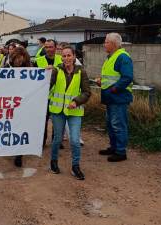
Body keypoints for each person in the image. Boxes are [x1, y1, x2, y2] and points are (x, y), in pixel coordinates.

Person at [49, 46, 91, 180]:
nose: (66, 58)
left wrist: (76, 101)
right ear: (61, 58)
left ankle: (75, 166)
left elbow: (86, 92)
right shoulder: (56, 70)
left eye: (69, 55)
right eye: (64, 56)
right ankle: (53, 162)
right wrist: (43, 74)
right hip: (58, 111)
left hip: (74, 111)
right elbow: (46, 86)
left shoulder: (81, 72)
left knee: (74, 140)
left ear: (74, 57)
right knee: (57, 139)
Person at [97, 33, 133, 162]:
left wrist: (115, 88)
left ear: (113, 44)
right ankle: (114, 147)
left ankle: (120, 151)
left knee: (118, 124)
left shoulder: (122, 57)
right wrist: (102, 81)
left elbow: (127, 77)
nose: (104, 44)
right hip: (111, 98)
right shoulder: (110, 57)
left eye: (106, 42)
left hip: (118, 98)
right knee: (111, 124)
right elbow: (111, 77)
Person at [34, 39, 63, 147]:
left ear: (55, 48)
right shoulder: (38, 61)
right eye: (46, 47)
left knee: (57, 121)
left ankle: (57, 141)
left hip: (57, 95)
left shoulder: (62, 59)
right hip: (43, 96)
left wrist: (54, 69)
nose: (48, 49)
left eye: (51, 47)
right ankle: (42, 141)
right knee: (43, 120)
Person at [8, 46, 32, 167]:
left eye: (20, 58)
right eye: (16, 58)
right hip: (11, 104)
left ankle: (19, 154)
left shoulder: (31, 69)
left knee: (22, 127)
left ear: (24, 57)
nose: (18, 61)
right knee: (12, 126)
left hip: (25, 104)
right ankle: (13, 147)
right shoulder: (8, 69)